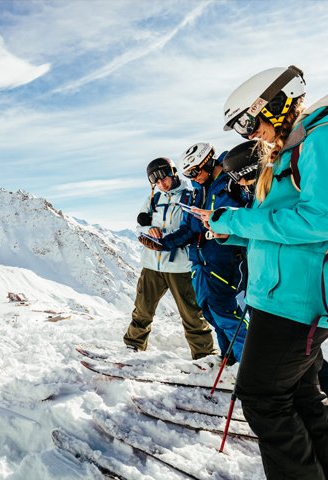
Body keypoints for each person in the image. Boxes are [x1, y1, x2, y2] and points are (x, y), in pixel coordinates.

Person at [205, 65, 328, 479]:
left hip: (296, 301)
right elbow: (274, 229)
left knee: (261, 396)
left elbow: (319, 220)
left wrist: (235, 223)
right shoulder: (293, 148)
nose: (249, 134)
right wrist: (226, 231)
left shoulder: (320, 138)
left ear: (276, 105)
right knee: (301, 396)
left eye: (248, 122)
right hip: (282, 295)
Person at [152, 143, 248, 365]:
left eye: (195, 171)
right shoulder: (197, 193)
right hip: (199, 262)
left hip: (224, 260)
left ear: (209, 162)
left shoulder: (230, 186)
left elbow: (239, 220)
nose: (193, 178)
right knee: (212, 314)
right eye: (188, 174)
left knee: (227, 314)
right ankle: (230, 359)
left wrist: (216, 222)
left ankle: (248, 366)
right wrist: (163, 243)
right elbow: (188, 230)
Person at [124, 157, 215, 359]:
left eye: (164, 178)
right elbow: (140, 226)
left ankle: (204, 355)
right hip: (152, 265)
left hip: (180, 266)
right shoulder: (154, 199)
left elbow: (192, 229)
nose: (162, 184)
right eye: (156, 182)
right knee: (142, 311)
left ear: (173, 173)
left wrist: (165, 240)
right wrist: (150, 230)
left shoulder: (190, 196)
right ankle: (133, 346)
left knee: (192, 315)